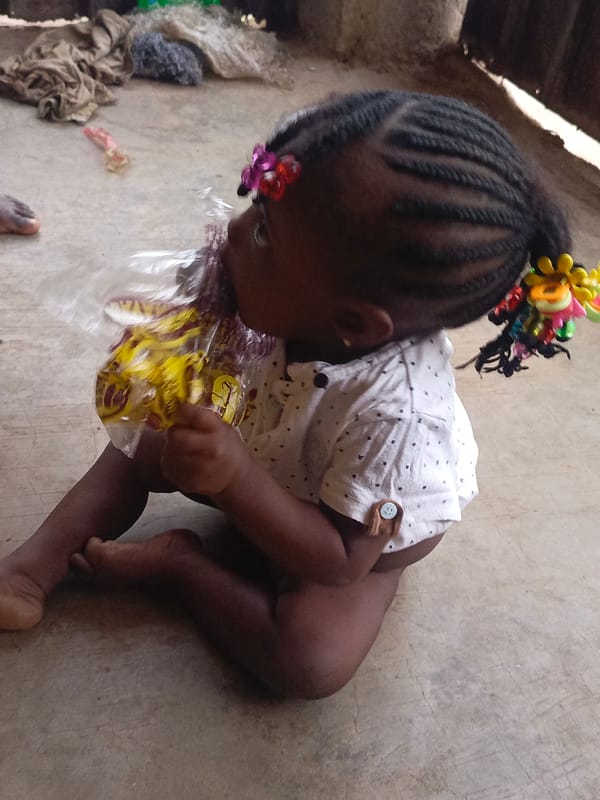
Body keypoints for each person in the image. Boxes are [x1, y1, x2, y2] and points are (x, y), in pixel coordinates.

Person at [0, 90, 572, 699]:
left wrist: (234, 477)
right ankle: (33, 567)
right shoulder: (290, 297)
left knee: (309, 662)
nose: (235, 230)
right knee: (141, 442)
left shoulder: (400, 419)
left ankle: (182, 566)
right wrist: (167, 339)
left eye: (265, 234)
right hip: (267, 453)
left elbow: (338, 560)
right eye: (255, 208)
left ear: (352, 323)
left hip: (346, 533)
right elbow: (208, 331)